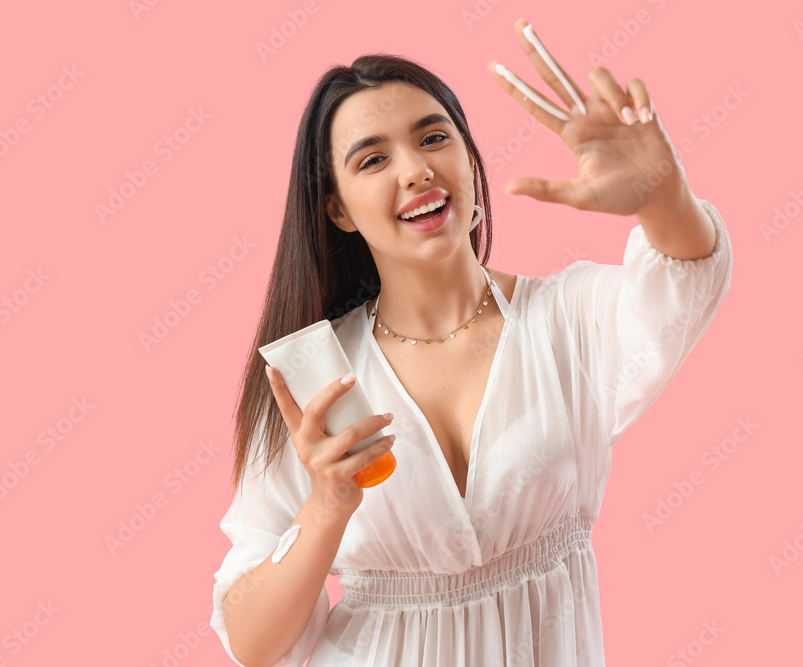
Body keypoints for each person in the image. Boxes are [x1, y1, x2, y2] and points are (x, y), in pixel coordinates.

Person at [209, 17, 733, 667]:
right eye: (373, 158)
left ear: (468, 158)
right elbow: (253, 641)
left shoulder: (564, 318)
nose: (416, 169)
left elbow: (683, 287)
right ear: (338, 208)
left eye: (434, 138)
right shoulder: (317, 375)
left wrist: (664, 198)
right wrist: (326, 506)